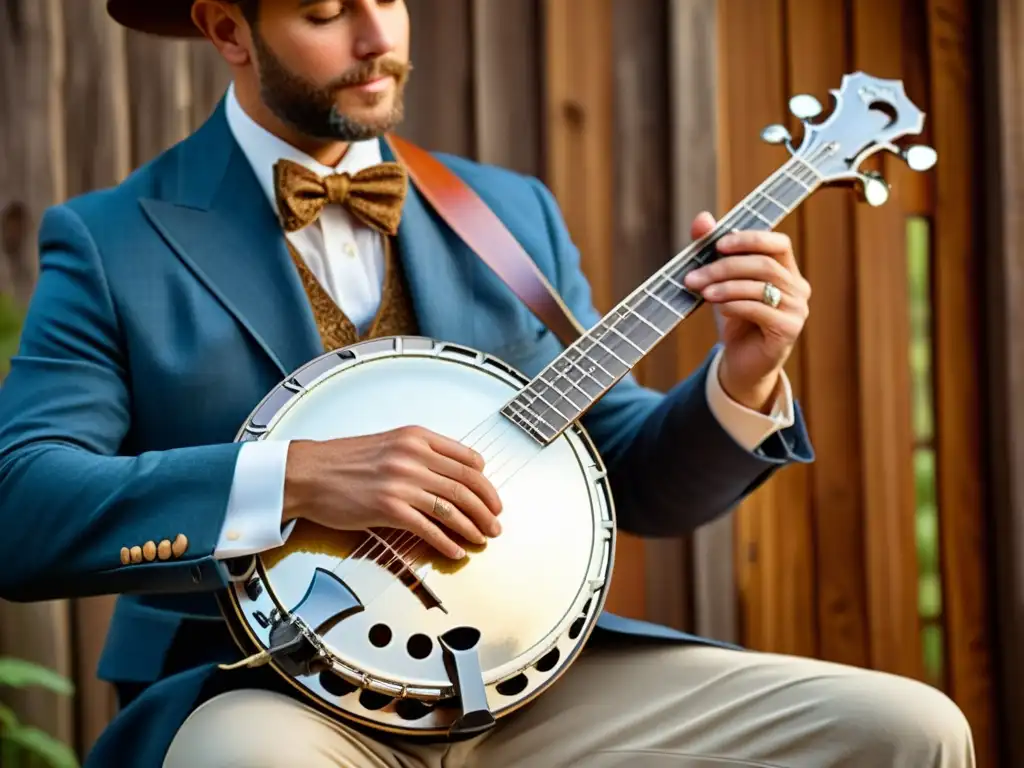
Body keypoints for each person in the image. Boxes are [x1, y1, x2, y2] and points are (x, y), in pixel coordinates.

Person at [0, 0, 973, 766]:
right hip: (259, 687)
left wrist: (741, 378)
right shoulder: (114, 238)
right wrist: (292, 477)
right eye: (328, 10)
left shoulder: (505, 214)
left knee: (907, 727)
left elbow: (624, 471)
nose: (378, 37)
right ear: (227, 29)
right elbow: (24, 506)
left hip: (524, 675)